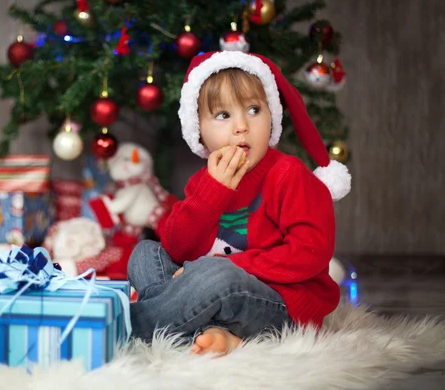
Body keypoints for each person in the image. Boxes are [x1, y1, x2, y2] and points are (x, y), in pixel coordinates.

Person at [128, 51, 352, 356]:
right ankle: (208, 331)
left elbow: (309, 253)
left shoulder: (288, 175)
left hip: (278, 304)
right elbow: (175, 249)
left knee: (215, 275)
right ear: (199, 132)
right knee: (145, 253)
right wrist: (213, 192)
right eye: (223, 115)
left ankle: (132, 327)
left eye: (254, 109)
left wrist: (225, 266)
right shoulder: (203, 181)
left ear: (272, 116)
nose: (241, 126)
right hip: (208, 292)